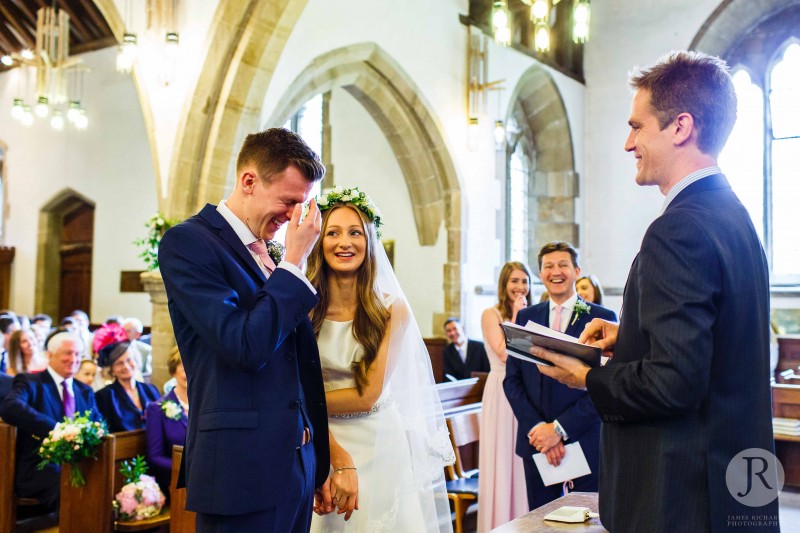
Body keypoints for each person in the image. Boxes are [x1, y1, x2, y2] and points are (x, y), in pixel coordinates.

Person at [535, 51, 780, 532]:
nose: (629, 143)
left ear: (681, 127)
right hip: (736, 491)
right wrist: (629, 336)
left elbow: (674, 382)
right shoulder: (733, 216)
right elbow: (714, 346)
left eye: (637, 127)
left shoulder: (679, 229)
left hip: (682, 498)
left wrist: (586, 379)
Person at [158, 128, 330, 532]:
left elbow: (294, 364)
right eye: (289, 201)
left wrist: (314, 461)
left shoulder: (265, 254)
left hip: (294, 467)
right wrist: (293, 261)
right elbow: (244, 345)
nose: (292, 216)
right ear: (249, 181)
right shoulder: (189, 243)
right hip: (242, 471)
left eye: (301, 205)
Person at [307, 187, 454, 532]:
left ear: (369, 241)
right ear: (320, 241)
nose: (345, 242)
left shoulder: (391, 309)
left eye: (355, 232)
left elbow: (368, 394)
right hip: (323, 440)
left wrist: (301, 403)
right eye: (333, 232)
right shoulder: (304, 307)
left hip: (379, 442)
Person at [504, 242, 617, 510]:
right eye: (548, 266)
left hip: (584, 439)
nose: (556, 272)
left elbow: (604, 385)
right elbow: (513, 379)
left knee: (587, 521)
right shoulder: (525, 317)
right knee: (542, 521)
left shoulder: (602, 319)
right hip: (537, 443)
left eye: (563, 265)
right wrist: (539, 430)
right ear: (541, 274)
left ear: (577, 270)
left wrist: (559, 429)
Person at [0, 329, 103, 509]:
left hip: (78, 463)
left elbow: (99, 425)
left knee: (105, 479)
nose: (73, 359)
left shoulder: (84, 391)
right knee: (71, 483)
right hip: (39, 467)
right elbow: (10, 407)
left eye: (78, 354)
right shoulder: (30, 382)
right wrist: (56, 429)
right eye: (67, 353)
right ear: (50, 355)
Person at [477, 261, 532, 531]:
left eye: (524, 281)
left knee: (522, 462)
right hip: (500, 390)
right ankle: (499, 523)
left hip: (525, 390)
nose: (520, 287)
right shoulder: (492, 314)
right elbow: (502, 352)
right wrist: (516, 317)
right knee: (502, 458)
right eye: (514, 281)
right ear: (504, 284)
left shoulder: (532, 313)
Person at [146, 347, 189, 494]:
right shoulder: (157, 409)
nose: (190, 371)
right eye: (184, 366)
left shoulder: (207, 406)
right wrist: (188, 469)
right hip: (174, 483)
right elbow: (155, 456)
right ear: (173, 370)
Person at [95, 340, 160, 432]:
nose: (126, 366)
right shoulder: (105, 396)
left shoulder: (150, 389)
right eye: (119, 363)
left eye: (129, 360)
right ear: (112, 370)